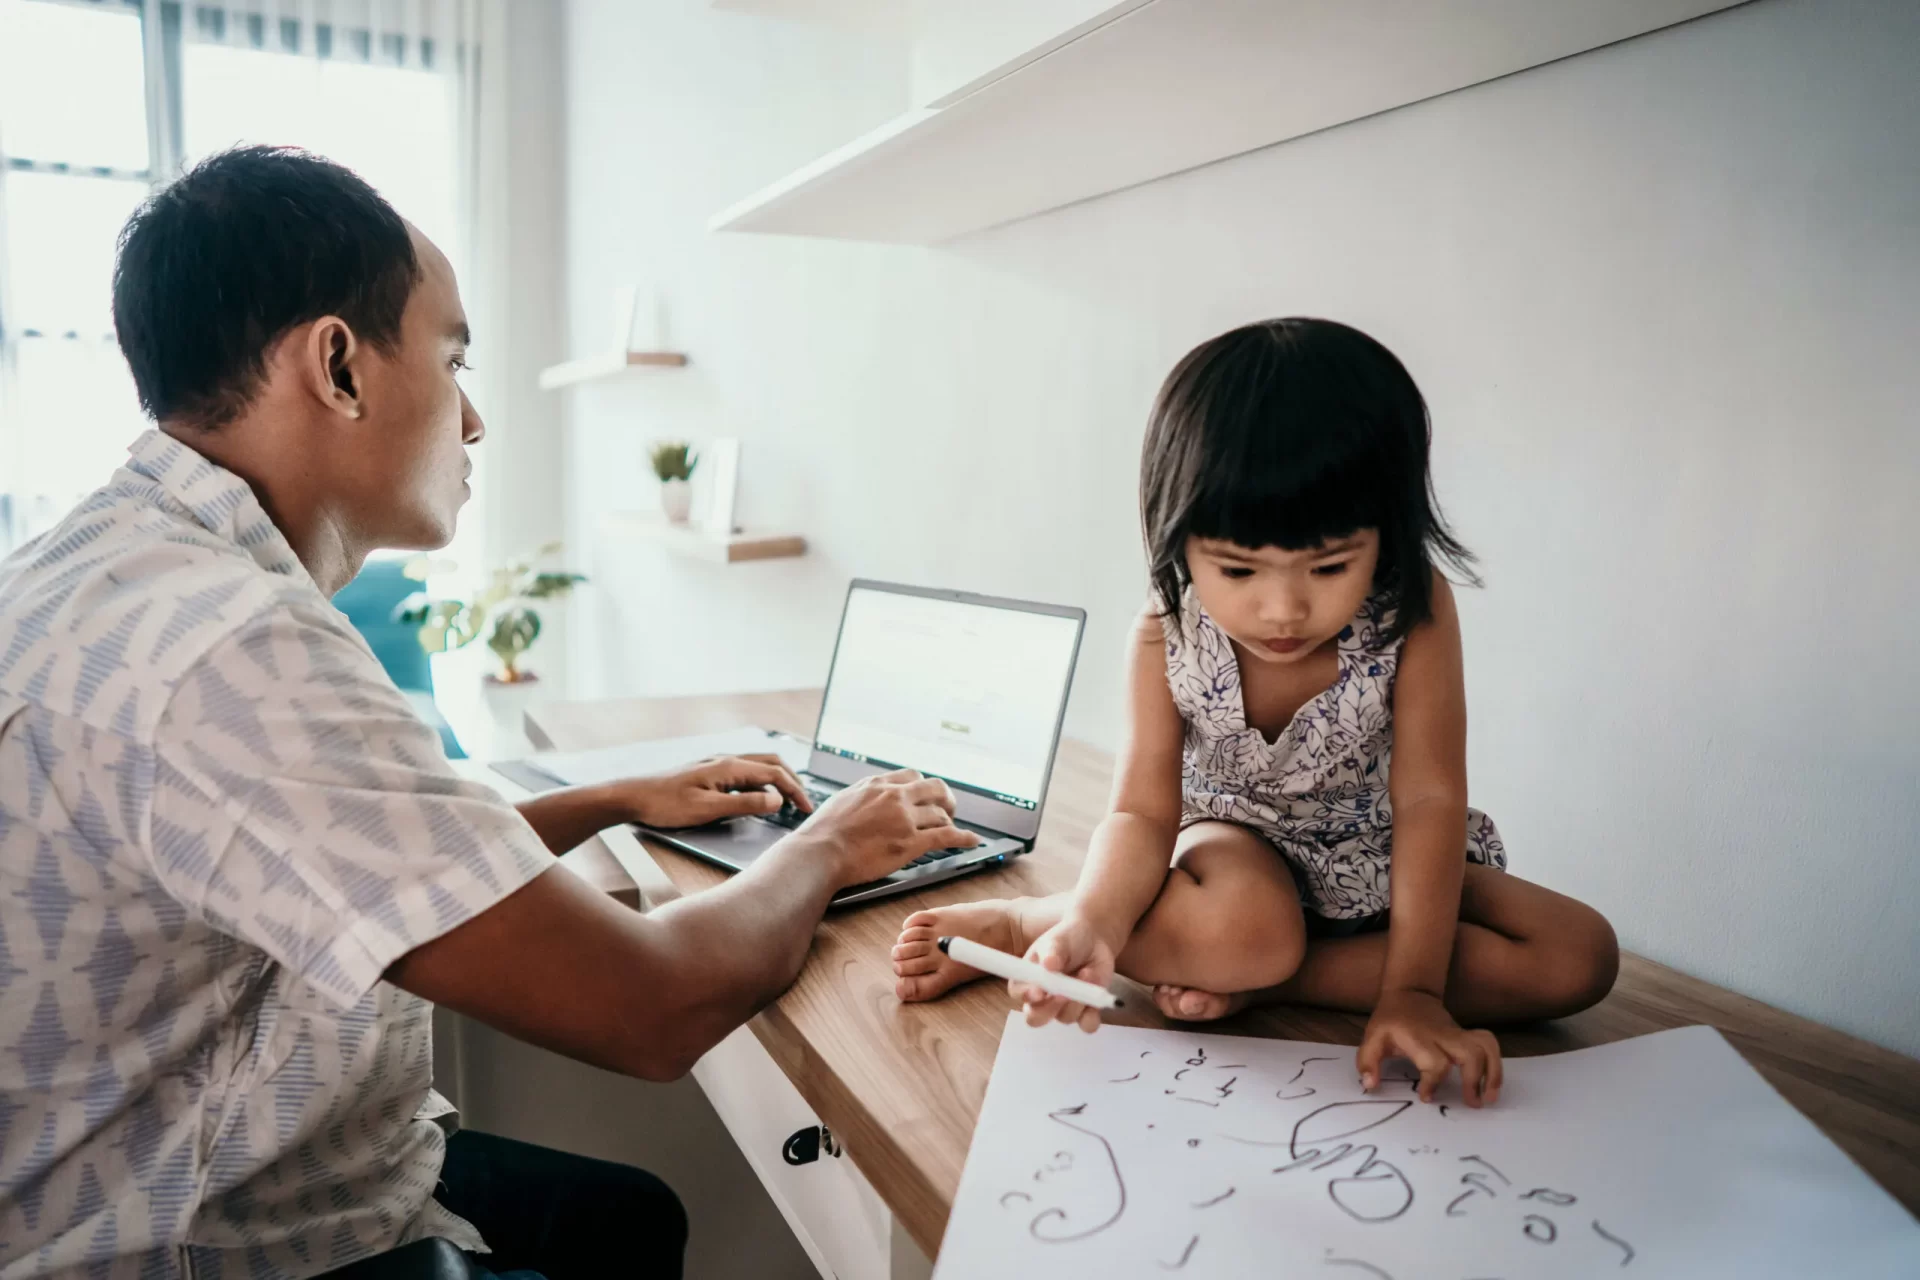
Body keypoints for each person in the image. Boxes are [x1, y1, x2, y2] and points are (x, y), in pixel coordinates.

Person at [0, 146, 976, 1279]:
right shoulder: (233, 646)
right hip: (205, 1243)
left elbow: (355, 853)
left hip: (194, 1177)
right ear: (339, 365)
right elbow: (649, 1005)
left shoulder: (110, 569)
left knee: (630, 1217)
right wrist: (829, 845)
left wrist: (611, 800)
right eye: (454, 358)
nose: (472, 421)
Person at [891, 319, 1619, 1106]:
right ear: (1179, 542)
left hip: (1377, 848)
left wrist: (1415, 990)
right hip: (1236, 854)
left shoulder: (1415, 609)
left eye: (1331, 565)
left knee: (1577, 957)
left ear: (1389, 533)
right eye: (1237, 569)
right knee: (1247, 929)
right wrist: (1095, 925)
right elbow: (1140, 812)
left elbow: (1429, 799)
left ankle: (1265, 982)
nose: (1283, 609)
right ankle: (1031, 920)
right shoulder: (1165, 630)